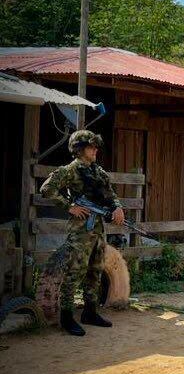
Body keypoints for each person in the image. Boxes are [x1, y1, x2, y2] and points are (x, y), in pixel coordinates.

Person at [40, 130, 125, 336]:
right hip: (80, 231)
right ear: (79, 149)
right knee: (75, 272)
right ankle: (67, 317)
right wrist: (69, 206)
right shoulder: (70, 171)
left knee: (95, 270)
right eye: (91, 147)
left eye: (96, 147)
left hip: (97, 229)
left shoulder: (98, 172)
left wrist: (117, 207)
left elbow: (110, 194)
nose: (95, 150)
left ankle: (90, 312)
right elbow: (47, 188)